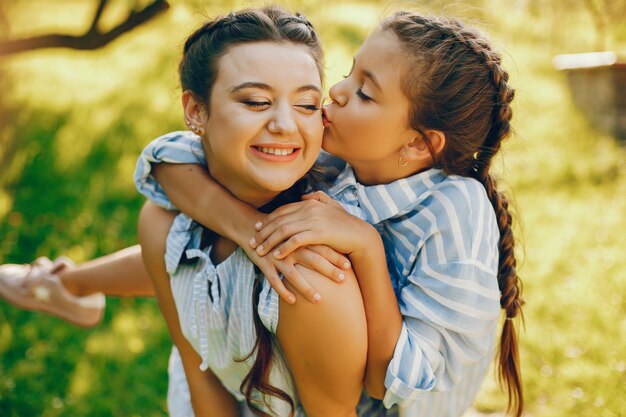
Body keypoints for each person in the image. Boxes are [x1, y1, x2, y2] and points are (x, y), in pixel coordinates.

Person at [0, 6, 525, 417]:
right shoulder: (344, 157)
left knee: (291, 260)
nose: (334, 95)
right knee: (187, 229)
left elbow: (394, 378)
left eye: (363, 92)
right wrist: (251, 231)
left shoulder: (453, 213)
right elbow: (167, 161)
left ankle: (68, 285)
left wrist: (363, 246)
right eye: (346, 74)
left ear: (417, 145)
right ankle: (70, 285)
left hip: (392, 399)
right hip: (294, 362)